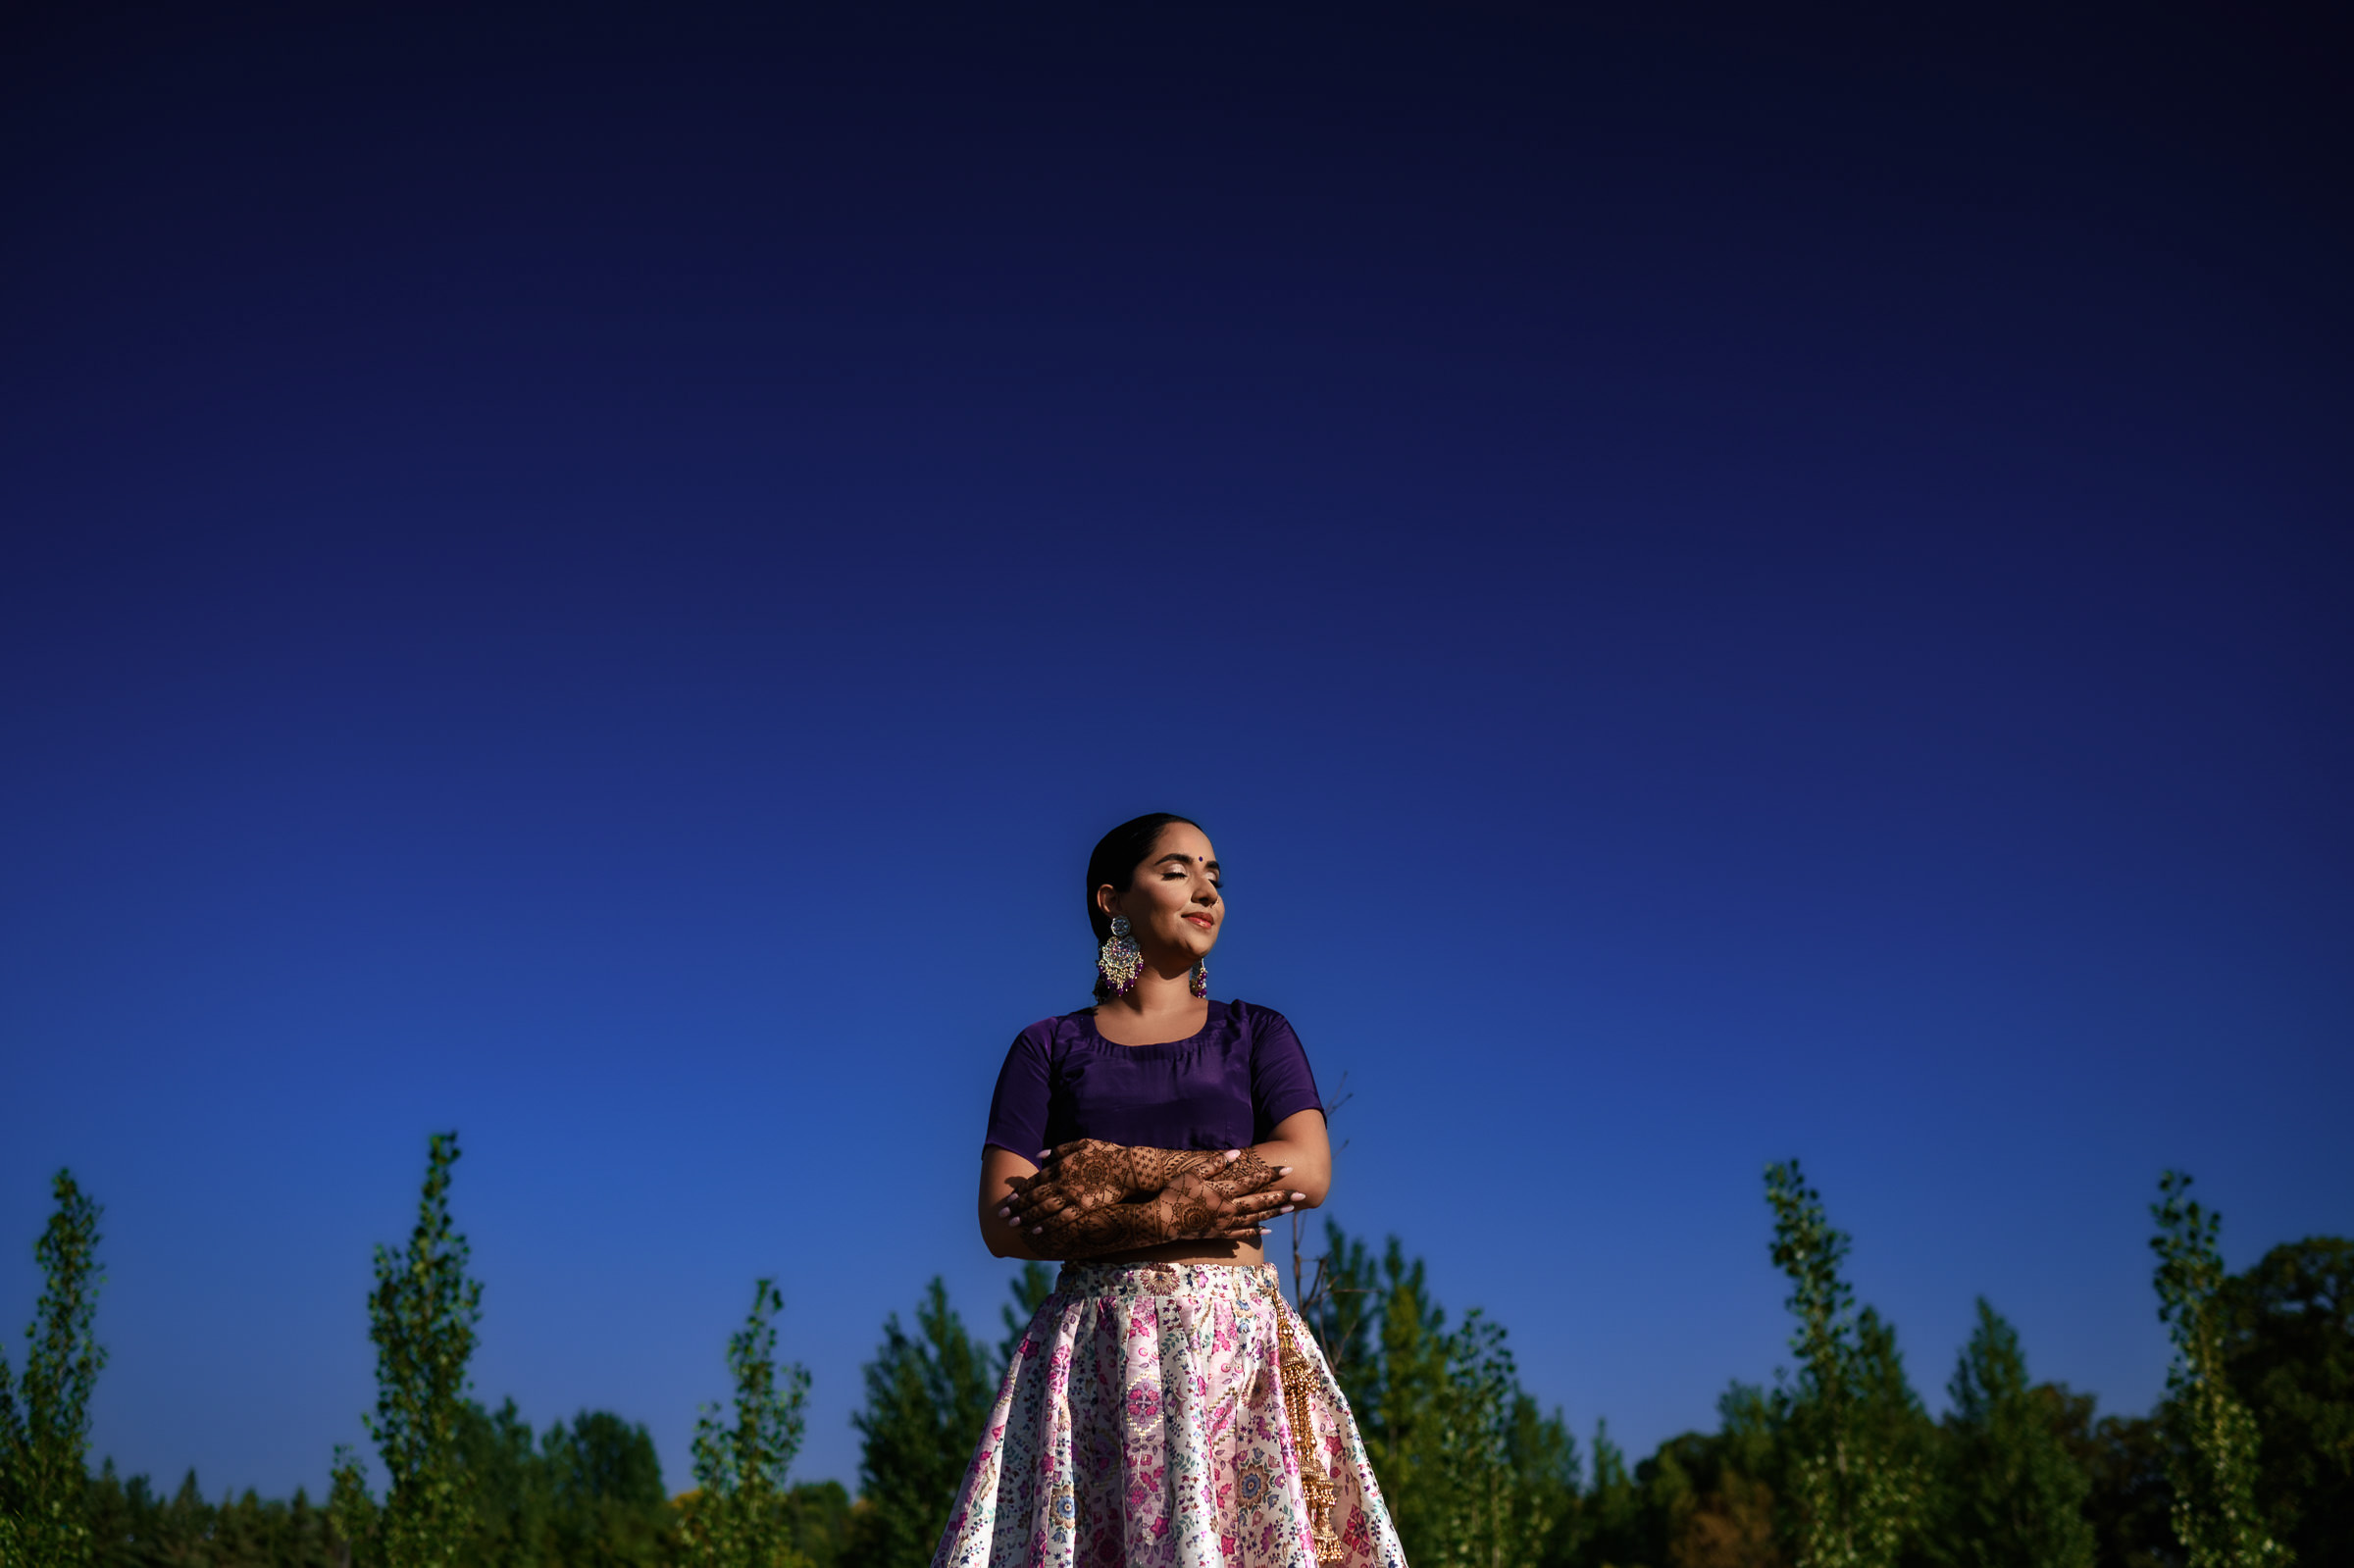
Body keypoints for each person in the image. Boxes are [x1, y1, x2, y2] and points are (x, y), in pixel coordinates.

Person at [931, 813, 1407, 1568]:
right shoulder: (1048, 1046)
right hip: (1098, 1351)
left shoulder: (1256, 1031)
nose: (1205, 888)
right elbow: (1003, 1218)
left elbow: (1305, 1168)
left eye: (1215, 874)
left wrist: (1128, 1171)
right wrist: (1165, 1218)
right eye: (1177, 869)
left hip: (1234, 1346)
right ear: (1112, 900)